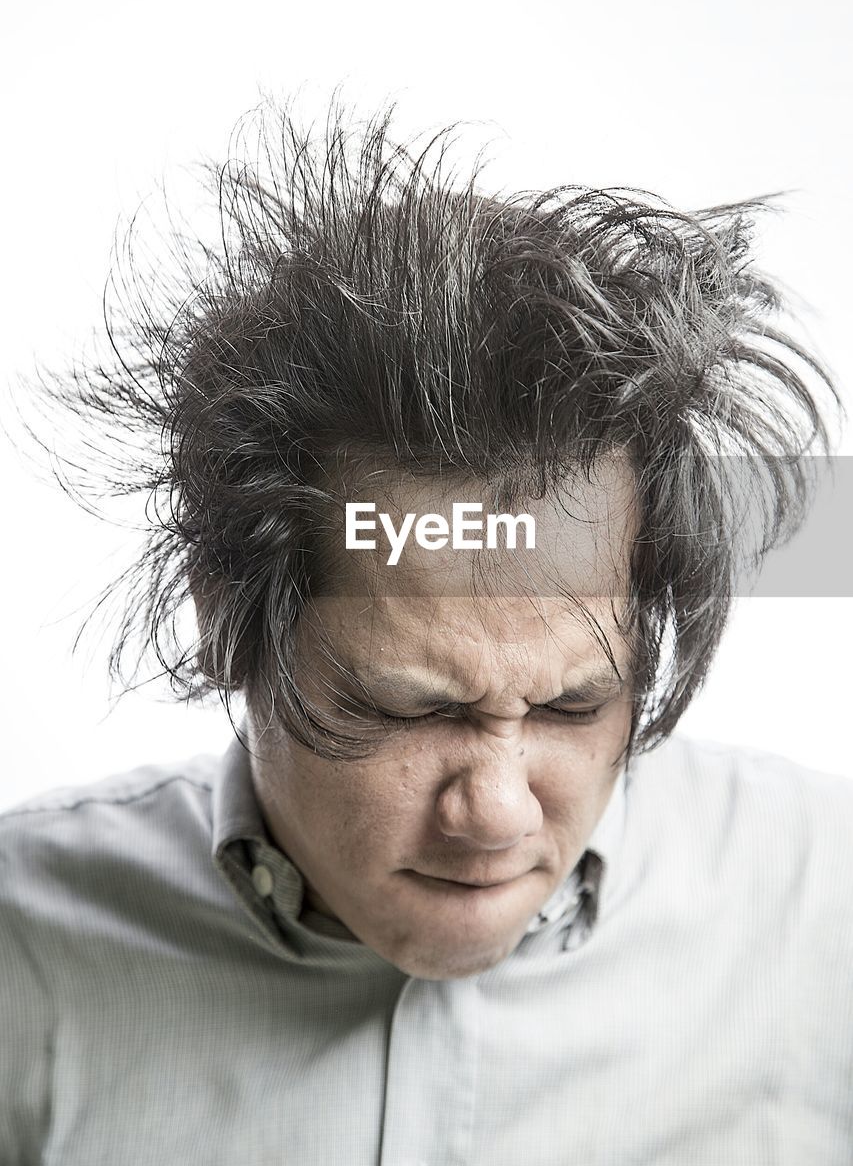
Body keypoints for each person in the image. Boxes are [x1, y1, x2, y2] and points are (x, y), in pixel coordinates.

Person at [1, 98, 851, 1165]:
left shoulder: (825, 902)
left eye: (571, 703)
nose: (495, 811)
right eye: (411, 707)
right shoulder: (19, 952)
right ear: (227, 622)